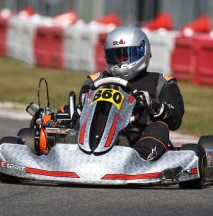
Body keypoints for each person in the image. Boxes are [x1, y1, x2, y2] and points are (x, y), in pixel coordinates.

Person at [75, 25, 184, 161]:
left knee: (160, 127)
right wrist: (78, 109)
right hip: (93, 136)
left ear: (142, 51)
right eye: (116, 56)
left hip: (137, 140)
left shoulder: (161, 83)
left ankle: (137, 160)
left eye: (126, 55)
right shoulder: (95, 81)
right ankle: (74, 153)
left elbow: (175, 118)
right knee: (75, 124)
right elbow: (78, 113)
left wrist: (153, 105)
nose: (121, 61)